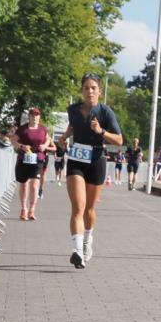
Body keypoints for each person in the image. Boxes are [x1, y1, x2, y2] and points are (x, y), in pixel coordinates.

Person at [58, 74, 123, 269]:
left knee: (89, 210)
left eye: (93, 88)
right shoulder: (74, 110)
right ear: (82, 91)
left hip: (96, 160)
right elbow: (72, 126)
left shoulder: (105, 112)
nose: (90, 91)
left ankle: (87, 240)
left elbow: (119, 141)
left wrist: (101, 132)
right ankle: (77, 251)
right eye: (86, 88)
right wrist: (65, 137)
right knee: (78, 206)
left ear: (99, 91)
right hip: (77, 160)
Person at [10, 108, 50, 220]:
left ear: (39, 117)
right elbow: (13, 141)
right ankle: (24, 209)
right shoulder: (23, 129)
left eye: (36, 115)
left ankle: (32, 210)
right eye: (32, 115)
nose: (34, 117)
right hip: (24, 158)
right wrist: (22, 146)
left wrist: (45, 146)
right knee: (24, 184)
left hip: (37, 159)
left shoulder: (43, 129)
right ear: (29, 117)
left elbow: (48, 139)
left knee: (34, 185)